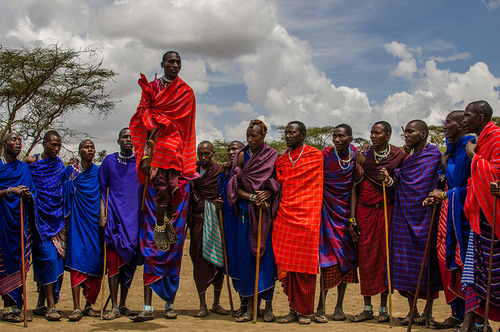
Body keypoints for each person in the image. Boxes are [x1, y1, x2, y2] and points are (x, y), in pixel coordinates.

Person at [130, 50, 197, 252]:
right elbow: (142, 113)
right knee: (161, 188)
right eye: (171, 62)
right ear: (163, 64)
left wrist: (187, 155)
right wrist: (143, 155)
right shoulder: (152, 88)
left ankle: (166, 220)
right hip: (156, 144)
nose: (175, 65)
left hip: (176, 147)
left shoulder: (186, 92)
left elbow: (188, 124)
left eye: (178, 62)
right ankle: (159, 228)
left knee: (175, 188)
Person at [381, 120, 442, 325]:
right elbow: (400, 180)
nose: (406, 135)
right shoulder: (408, 157)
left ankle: (427, 312)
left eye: (410, 131)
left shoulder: (433, 155)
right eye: (405, 132)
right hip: (403, 216)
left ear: (423, 133)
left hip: (424, 216)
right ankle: (412, 311)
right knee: (405, 263)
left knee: (426, 265)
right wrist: (390, 178)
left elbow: (434, 181)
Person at [349, 121, 404, 323]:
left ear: (387, 135)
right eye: (371, 132)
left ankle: (383, 308)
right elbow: (355, 188)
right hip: (365, 213)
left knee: (384, 259)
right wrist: (352, 218)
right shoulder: (363, 155)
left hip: (387, 212)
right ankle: (367, 307)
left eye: (377, 133)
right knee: (366, 260)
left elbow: (403, 183)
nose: (373, 136)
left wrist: (389, 181)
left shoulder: (399, 155)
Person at [422, 111, 473, 329]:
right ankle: (456, 314)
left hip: (468, 216)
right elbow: (449, 181)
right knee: (448, 261)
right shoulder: (451, 151)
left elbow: (473, 185)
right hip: (450, 214)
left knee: (467, 265)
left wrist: (445, 196)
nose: (444, 126)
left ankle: (475, 319)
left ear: (462, 124)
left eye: (448, 122)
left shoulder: (470, 149)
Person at [227, 120, 280, 322]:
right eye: (247, 136)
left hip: (264, 215)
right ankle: (250, 307)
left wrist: (266, 193)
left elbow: (277, 183)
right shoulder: (241, 155)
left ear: (263, 136)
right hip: (245, 215)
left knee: (266, 260)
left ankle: (268, 308)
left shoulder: (272, 155)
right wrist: (251, 197)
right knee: (247, 260)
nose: (249, 139)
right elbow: (233, 187)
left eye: (254, 136)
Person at [273, 121, 324, 324]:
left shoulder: (315, 156)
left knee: (306, 268)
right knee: (288, 266)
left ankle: (306, 311)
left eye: (291, 133)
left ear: (302, 135)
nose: (287, 136)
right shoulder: (282, 160)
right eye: (286, 133)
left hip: (308, 219)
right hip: (285, 218)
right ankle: (293, 309)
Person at [131, 157, 191, 322]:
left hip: (176, 224)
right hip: (152, 224)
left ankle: (170, 305)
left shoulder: (184, 182)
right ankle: (147, 307)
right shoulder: (151, 181)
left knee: (173, 261)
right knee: (150, 258)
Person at [459, 100, 500, 332]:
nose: (465, 120)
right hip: (481, 218)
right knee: (479, 274)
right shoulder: (482, 139)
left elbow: (495, 172)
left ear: (481, 117)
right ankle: (477, 323)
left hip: (495, 218)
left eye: (468, 115)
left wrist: (475, 157)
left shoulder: (495, 137)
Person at [314, 124, 358, 323]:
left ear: (350, 138)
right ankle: (320, 306)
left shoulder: (357, 155)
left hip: (346, 214)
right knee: (326, 260)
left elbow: (357, 185)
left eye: (341, 136)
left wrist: (352, 218)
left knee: (346, 260)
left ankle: (339, 306)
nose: (337, 139)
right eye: (335, 136)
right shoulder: (325, 155)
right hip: (327, 212)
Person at [98, 128, 141, 320]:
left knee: (129, 263)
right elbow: (102, 189)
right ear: (118, 141)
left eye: (132, 137)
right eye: (125, 137)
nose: (129, 140)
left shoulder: (141, 162)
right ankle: (114, 306)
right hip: (115, 217)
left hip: (135, 220)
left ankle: (123, 303)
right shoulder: (109, 161)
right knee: (114, 262)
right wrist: (102, 214)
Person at [25, 131, 65, 321]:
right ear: (44, 143)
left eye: (58, 145)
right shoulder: (31, 162)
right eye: (53, 145)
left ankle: (41, 304)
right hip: (38, 221)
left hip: (56, 221)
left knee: (55, 262)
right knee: (46, 259)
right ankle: (51, 306)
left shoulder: (59, 165)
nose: (56, 149)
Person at [189, 141, 230, 317]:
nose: (203, 158)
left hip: (216, 222)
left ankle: (216, 303)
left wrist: (220, 202)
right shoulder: (191, 171)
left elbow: (225, 190)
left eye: (207, 154)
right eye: (201, 154)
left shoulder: (220, 170)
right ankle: (202, 304)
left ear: (213, 154)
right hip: (198, 222)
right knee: (199, 262)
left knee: (218, 261)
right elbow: (188, 192)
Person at [64, 139, 103, 321]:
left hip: (95, 223)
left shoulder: (99, 172)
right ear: (79, 151)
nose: (90, 150)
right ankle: (77, 307)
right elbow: (64, 192)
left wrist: (103, 217)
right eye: (86, 147)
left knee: (95, 262)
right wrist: (69, 182)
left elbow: (104, 194)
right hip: (77, 223)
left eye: (92, 147)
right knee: (77, 260)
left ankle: (89, 306)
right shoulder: (71, 172)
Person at [0, 133, 36, 323]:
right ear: (4, 145)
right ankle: (8, 309)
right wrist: (9, 191)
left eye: (20, 141)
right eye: (13, 141)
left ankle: (17, 308)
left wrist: (28, 195)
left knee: (21, 265)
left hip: (19, 223)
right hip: (2, 225)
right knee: (4, 266)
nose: (17, 144)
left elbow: (33, 192)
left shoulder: (23, 167)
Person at [217, 140, 246, 315]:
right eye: (228, 149)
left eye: (234, 149)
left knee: (246, 260)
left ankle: (252, 303)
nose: (230, 152)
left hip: (244, 220)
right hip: (229, 221)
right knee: (234, 261)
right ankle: (243, 302)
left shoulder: (249, 169)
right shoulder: (225, 172)